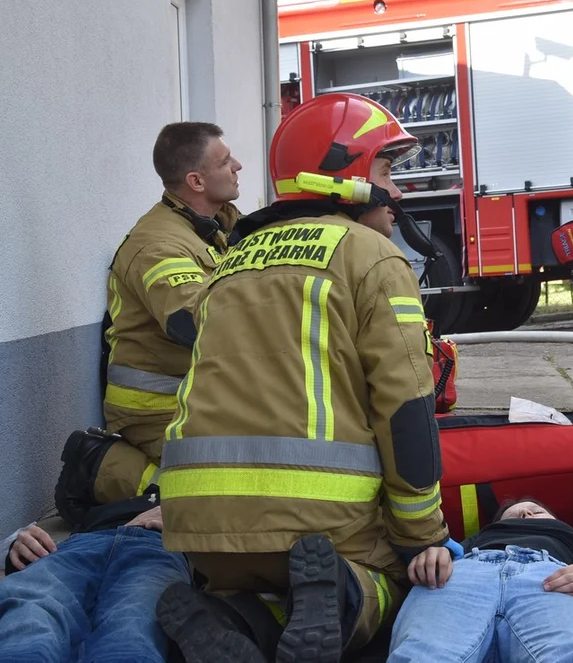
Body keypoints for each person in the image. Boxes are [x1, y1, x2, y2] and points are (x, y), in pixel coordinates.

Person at [154, 92, 453, 663]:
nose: (397, 193)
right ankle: (346, 595)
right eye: (387, 171)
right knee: (399, 577)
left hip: (200, 526)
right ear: (345, 177)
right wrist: (422, 537)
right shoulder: (372, 257)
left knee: (259, 591)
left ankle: (230, 615)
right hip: (320, 527)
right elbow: (406, 410)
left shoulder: (230, 262)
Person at [55, 122, 243, 526]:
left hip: (200, 398)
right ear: (196, 180)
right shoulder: (159, 243)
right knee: (223, 496)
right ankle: (100, 470)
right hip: (158, 409)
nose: (238, 166)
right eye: (226, 161)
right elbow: (189, 321)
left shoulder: (218, 227)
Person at [387, 499, 573, 662]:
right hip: (466, 572)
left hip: (552, 579)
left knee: (569, 656)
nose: (525, 513)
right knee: (424, 655)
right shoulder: (473, 543)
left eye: (537, 511)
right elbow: (431, 567)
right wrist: (434, 555)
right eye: (513, 513)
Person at [0, 494, 190, 662]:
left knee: (133, 623)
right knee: (32, 609)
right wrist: (20, 549)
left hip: (160, 545)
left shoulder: (203, 506)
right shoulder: (106, 501)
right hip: (83, 541)